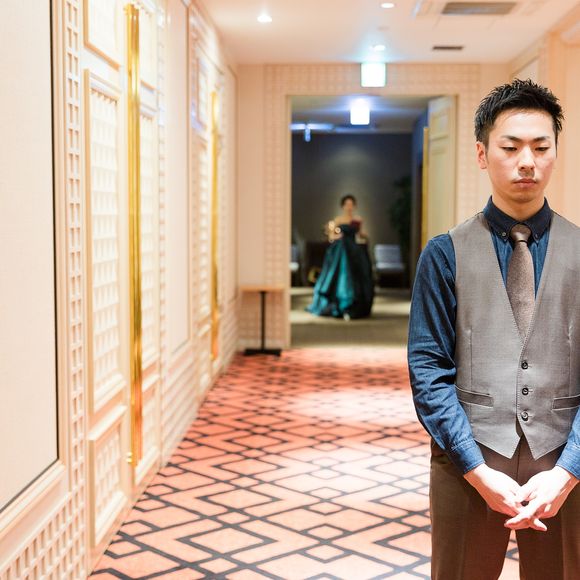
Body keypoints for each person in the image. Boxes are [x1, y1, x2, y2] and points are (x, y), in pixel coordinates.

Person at [408, 78, 580, 580]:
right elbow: (428, 371)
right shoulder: (444, 253)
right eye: (511, 147)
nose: (527, 161)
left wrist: (568, 472)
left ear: (555, 153)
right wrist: (475, 468)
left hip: (565, 460)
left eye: (541, 147)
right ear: (482, 154)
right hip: (468, 459)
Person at [307, 194, 374, 319]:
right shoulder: (338, 220)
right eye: (347, 204)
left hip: (354, 250)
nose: (349, 207)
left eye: (351, 204)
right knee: (341, 273)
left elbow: (360, 234)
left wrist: (365, 236)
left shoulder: (358, 220)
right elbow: (331, 236)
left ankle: (353, 307)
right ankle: (340, 304)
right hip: (342, 248)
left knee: (357, 275)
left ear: (354, 206)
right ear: (343, 206)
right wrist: (338, 236)